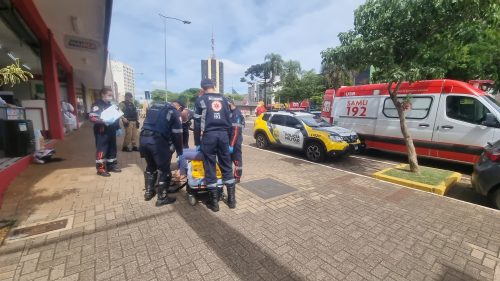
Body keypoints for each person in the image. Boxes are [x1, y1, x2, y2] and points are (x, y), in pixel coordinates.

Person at [194, 79, 236, 212]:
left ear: (202, 88)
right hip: (223, 135)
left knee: (210, 166)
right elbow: (230, 121)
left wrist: (197, 143)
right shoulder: (224, 99)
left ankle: (214, 204)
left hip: (209, 136)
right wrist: (229, 141)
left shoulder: (200, 100)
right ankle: (231, 200)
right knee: (227, 165)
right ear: (214, 86)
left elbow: (196, 124)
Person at [139, 101, 184, 206]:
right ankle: (162, 198)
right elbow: (177, 134)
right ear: (179, 107)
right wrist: (179, 150)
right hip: (156, 141)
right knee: (164, 170)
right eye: (181, 110)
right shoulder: (174, 112)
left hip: (143, 139)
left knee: (150, 166)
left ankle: (149, 192)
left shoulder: (155, 107)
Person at [89, 87, 122, 177]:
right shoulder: (97, 104)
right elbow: (92, 117)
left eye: (111, 95)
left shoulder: (111, 105)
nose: (111, 97)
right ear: (103, 94)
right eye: (109, 95)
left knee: (112, 148)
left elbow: (116, 117)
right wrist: (103, 121)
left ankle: (111, 165)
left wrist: (118, 127)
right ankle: (100, 168)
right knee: (102, 149)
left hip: (111, 130)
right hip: (102, 131)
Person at [228, 98, 244, 185]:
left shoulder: (237, 114)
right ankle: (228, 176)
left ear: (230, 104)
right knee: (228, 160)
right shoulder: (230, 113)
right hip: (229, 141)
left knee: (237, 160)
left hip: (235, 141)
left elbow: (236, 131)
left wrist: (231, 145)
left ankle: (237, 177)